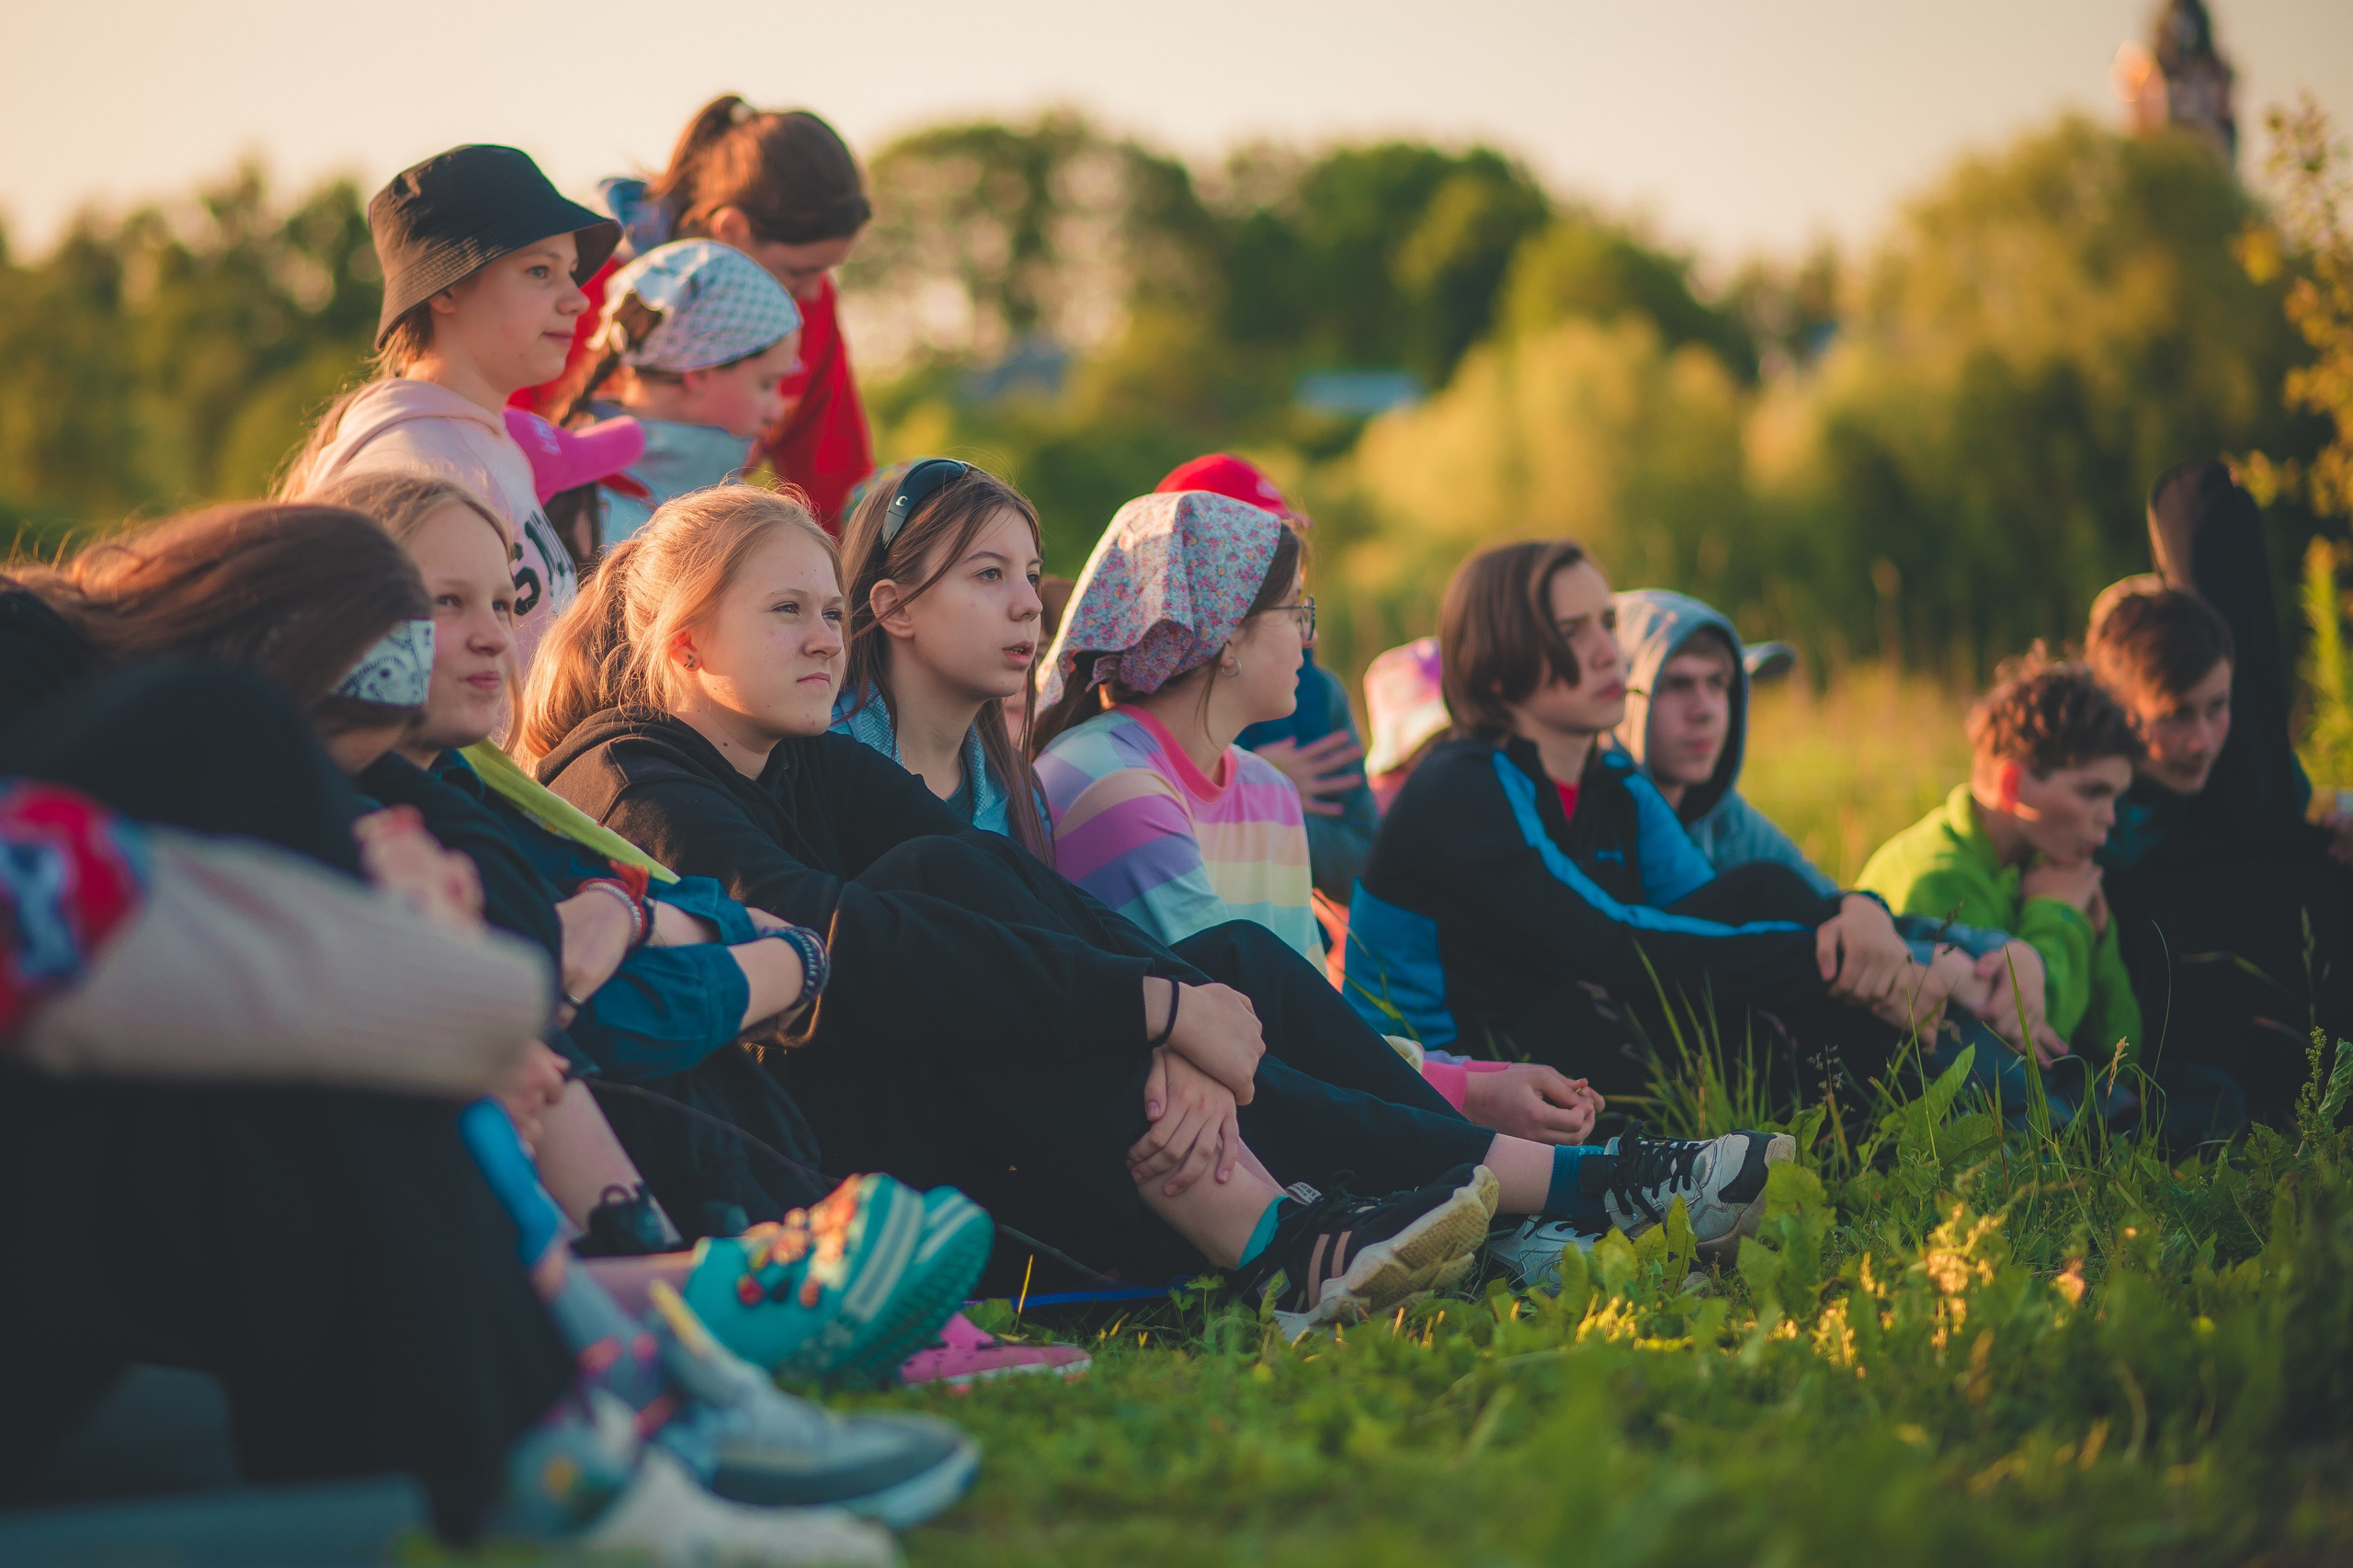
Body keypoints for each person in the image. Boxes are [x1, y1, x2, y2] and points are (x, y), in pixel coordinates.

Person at [522, 485, 1802, 1317]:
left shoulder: (807, 759)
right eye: (784, 612)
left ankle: (1496, 1206)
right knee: (943, 891)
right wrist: (1151, 1003)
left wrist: (1183, 1001)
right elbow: (843, 943)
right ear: (684, 644)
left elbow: (1012, 896)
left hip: (968, 1094)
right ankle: (1549, 1192)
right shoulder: (627, 773)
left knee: (1213, 944)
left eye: (823, 607)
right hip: (809, 1163)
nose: (820, 634)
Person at [1350, 540, 1981, 1114]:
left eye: (1607, 624)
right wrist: (1827, 961)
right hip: (1445, 1080)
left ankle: (1970, 1114)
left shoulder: (1612, 777)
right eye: (1572, 631)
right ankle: (1943, 1118)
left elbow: (1712, 908)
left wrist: (1855, 914)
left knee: (1762, 889)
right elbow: (1609, 943)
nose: (1608, 653)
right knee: (1684, 999)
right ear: (1495, 667)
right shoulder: (1460, 785)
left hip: (1557, 1028)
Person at [1611, 588, 2063, 1067]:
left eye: (1720, 683)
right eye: (1677, 684)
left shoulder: (1725, 816)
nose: (1704, 708)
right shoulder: (1605, 819)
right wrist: (1928, 968)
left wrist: (2006, 951)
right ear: (1623, 695)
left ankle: (2049, 1102)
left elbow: (1824, 903)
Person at [279, 145, 618, 670]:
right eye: (539, 272)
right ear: (448, 290)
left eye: (571, 272)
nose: (577, 299)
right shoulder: (407, 461)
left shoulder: (487, 441)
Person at [524, 97, 876, 526]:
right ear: (730, 230)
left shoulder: (810, 302)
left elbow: (831, 482)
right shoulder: (577, 285)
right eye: (797, 271)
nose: (812, 293)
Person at [2089, 576, 2347, 1127]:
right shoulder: (2086, 812)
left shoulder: (2251, 780)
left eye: (2218, 706)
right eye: (2176, 714)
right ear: (2119, 711)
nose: (2202, 740)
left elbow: (2305, 814)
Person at [1032, 491, 1322, 965]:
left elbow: (1311, 1010)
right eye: (1295, 610)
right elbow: (1230, 1009)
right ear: (1226, 634)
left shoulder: (1272, 792)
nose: (1310, 637)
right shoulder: (1111, 783)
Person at [1857, 655, 2144, 1073]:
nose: (2110, 818)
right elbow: (2020, 1052)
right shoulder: (1937, 877)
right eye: (2091, 793)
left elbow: (2126, 1052)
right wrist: (2057, 914)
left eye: (2115, 797)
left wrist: (2096, 934)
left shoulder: (2047, 862)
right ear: (2012, 785)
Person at [1154, 455, 1376, 903]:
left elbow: (1362, 866)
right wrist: (1249, 788)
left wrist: (1273, 800)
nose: (1307, 633)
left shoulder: (1314, 694)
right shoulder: (1140, 699)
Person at [832, 459, 1053, 855]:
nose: (1032, 605)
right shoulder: (809, 767)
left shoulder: (1021, 797)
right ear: (895, 608)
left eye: (1032, 576)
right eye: (990, 573)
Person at [545, 240, 804, 549]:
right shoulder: (580, 511)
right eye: (766, 384)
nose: (777, 410)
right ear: (699, 372)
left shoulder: (735, 502)